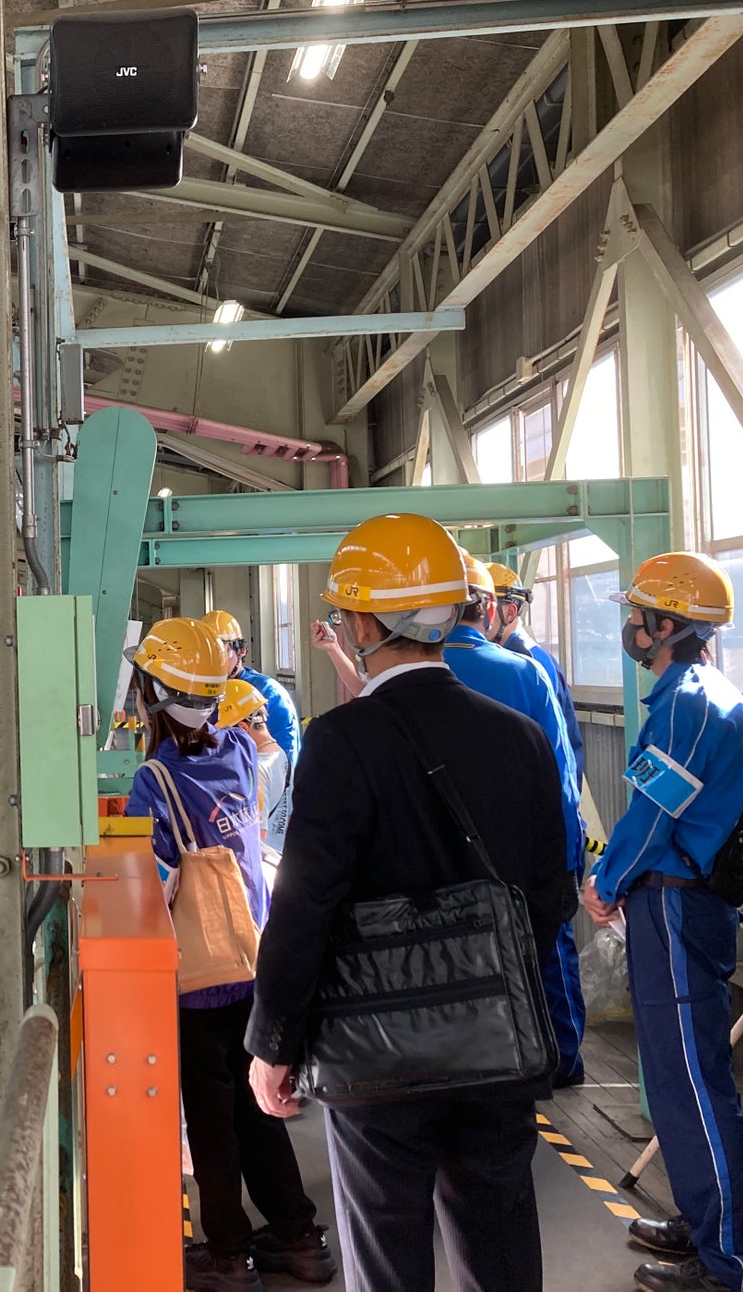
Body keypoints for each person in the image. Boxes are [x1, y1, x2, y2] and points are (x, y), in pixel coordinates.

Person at [245, 512, 574, 1292]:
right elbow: (551, 892)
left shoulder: (342, 739)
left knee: (387, 1249)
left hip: (375, 1054)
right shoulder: (520, 736)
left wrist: (274, 1040)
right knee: (501, 1247)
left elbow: (306, 904)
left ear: (362, 624)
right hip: (497, 1044)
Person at [126, 618, 334, 1292]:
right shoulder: (242, 752)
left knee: (213, 1120)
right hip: (254, 960)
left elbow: (156, 887)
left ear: (155, 695)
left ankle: (229, 1252)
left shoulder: (155, 780)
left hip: (201, 981)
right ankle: (298, 1236)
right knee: (257, 1107)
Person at [581, 553, 743, 1292]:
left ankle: (733, 1265)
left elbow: (656, 812)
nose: (629, 626)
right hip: (675, 904)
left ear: (667, 626)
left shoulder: (690, 702)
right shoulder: (697, 695)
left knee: (694, 1080)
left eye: (638, 614)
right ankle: (703, 1220)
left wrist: (606, 881)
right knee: (674, 1077)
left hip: (678, 904)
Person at [448, 550, 587, 1087]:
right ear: (489, 608)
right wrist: (568, 857)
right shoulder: (525, 673)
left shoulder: (401, 679)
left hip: (446, 866)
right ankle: (559, 1061)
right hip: (526, 857)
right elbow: (561, 771)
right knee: (545, 957)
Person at [485, 561, 586, 783]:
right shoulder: (509, 658)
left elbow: (552, 743)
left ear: (510, 612)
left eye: (484, 609)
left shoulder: (528, 663)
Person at [202, 610, 300, 769]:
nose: (212, 660)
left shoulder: (268, 692)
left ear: (241, 650)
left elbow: (283, 760)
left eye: (220, 650)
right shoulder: (202, 691)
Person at [219, 679, 288, 853]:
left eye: (222, 734)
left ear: (242, 729)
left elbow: (258, 834)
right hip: (281, 855)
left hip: (262, 860)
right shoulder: (279, 754)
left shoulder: (254, 769)